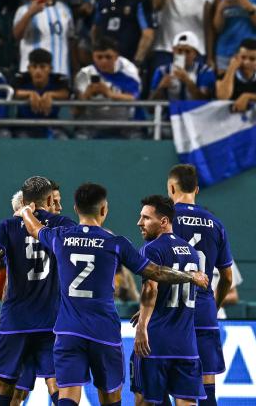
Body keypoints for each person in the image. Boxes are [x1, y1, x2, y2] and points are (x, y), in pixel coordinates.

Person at [18, 182, 208, 406]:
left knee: (67, 397)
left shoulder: (60, 237)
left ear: (76, 208)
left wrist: (25, 211)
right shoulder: (115, 243)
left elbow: (34, 228)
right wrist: (190, 276)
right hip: (104, 332)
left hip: (69, 330)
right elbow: (155, 272)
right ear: (103, 210)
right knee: (111, 397)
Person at [0, 176, 76, 406]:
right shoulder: (64, 224)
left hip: (16, 320)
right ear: (49, 199)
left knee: (3, 387)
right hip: (52, 319)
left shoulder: (7, 226)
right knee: (58, 384)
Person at [167, 164, 234, 406]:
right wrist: (213, 306)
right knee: (207, 391)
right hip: (203, 310)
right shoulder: (216, 224)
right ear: (196, 189)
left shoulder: (164, 220)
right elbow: (227, 278)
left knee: (171, 388)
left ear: (171, 188)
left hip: (171, 313)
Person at [130, 195, 206, 406]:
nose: (139, 223)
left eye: (145, 218)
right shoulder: (191, 252)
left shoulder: (151, 249)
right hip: (186, 346)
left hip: (156, 343)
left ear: (163, 221)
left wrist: (142, 327)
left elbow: (151, 287)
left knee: (145, 401)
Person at [74, 37, 141, 139]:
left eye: (108, 57)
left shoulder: (128, 70)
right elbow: (75, 111)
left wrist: (109, 93)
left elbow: (133, 98)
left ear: (116, 56)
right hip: (93, 124)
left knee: (137, 138)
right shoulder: (84, 74)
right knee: (80, 137)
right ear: (93, 56)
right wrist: (86, 95)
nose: (104, 61)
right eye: (99, 57)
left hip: (124, 124)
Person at [149, 0, 214, 71]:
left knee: (193, 84)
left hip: (197, 50)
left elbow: (208, 23)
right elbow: (156, 5)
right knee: (164, 83)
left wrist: (210, 57)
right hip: (166, 49)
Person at [12, 0, 73, 76]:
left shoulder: (65, 10)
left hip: (60, 70)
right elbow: (17, 35)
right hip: (31, 73)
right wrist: (30, 13)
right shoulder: (23, 10)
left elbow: (71, 40)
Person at [12, 48, 70, 138]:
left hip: (51, 126)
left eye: (42, 67)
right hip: (24, 127)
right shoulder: (21, 78)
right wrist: (30, 94)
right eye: (34, 67)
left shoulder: (58, 79)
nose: (38, 71)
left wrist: (50, 94)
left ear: (50, 69)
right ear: (29, 68)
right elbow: (13, 92)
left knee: (62, 138)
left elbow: (66, 93)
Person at [92, 0, 154, 67]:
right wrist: (96, 55)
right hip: (105, 60)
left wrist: (137, 62)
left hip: (128, 60)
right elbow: (95, 29)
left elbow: (148, 34)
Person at [150, 31, 216, 101]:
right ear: (173, 51)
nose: (183, 55)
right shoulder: (162, 71)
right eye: (179, 51)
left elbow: (204, 101)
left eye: (188, 51)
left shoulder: (204, 71)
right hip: (172, 112)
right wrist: (160, 88)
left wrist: (188, 81)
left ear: (195, 54)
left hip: (196, 112)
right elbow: (150, 106)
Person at [212, 0, 256, 72]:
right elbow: (218, 28)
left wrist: (249, 7)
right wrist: (221, 7)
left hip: (251, 55)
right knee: (225, 85)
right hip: (225, 53)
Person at [216, 38, 256, 112]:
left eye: (252, 59)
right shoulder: (222, 76)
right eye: (243, 57)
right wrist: (231, 68)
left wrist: (248, 96)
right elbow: (222, 97)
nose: (246, 62)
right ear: (236, 57)